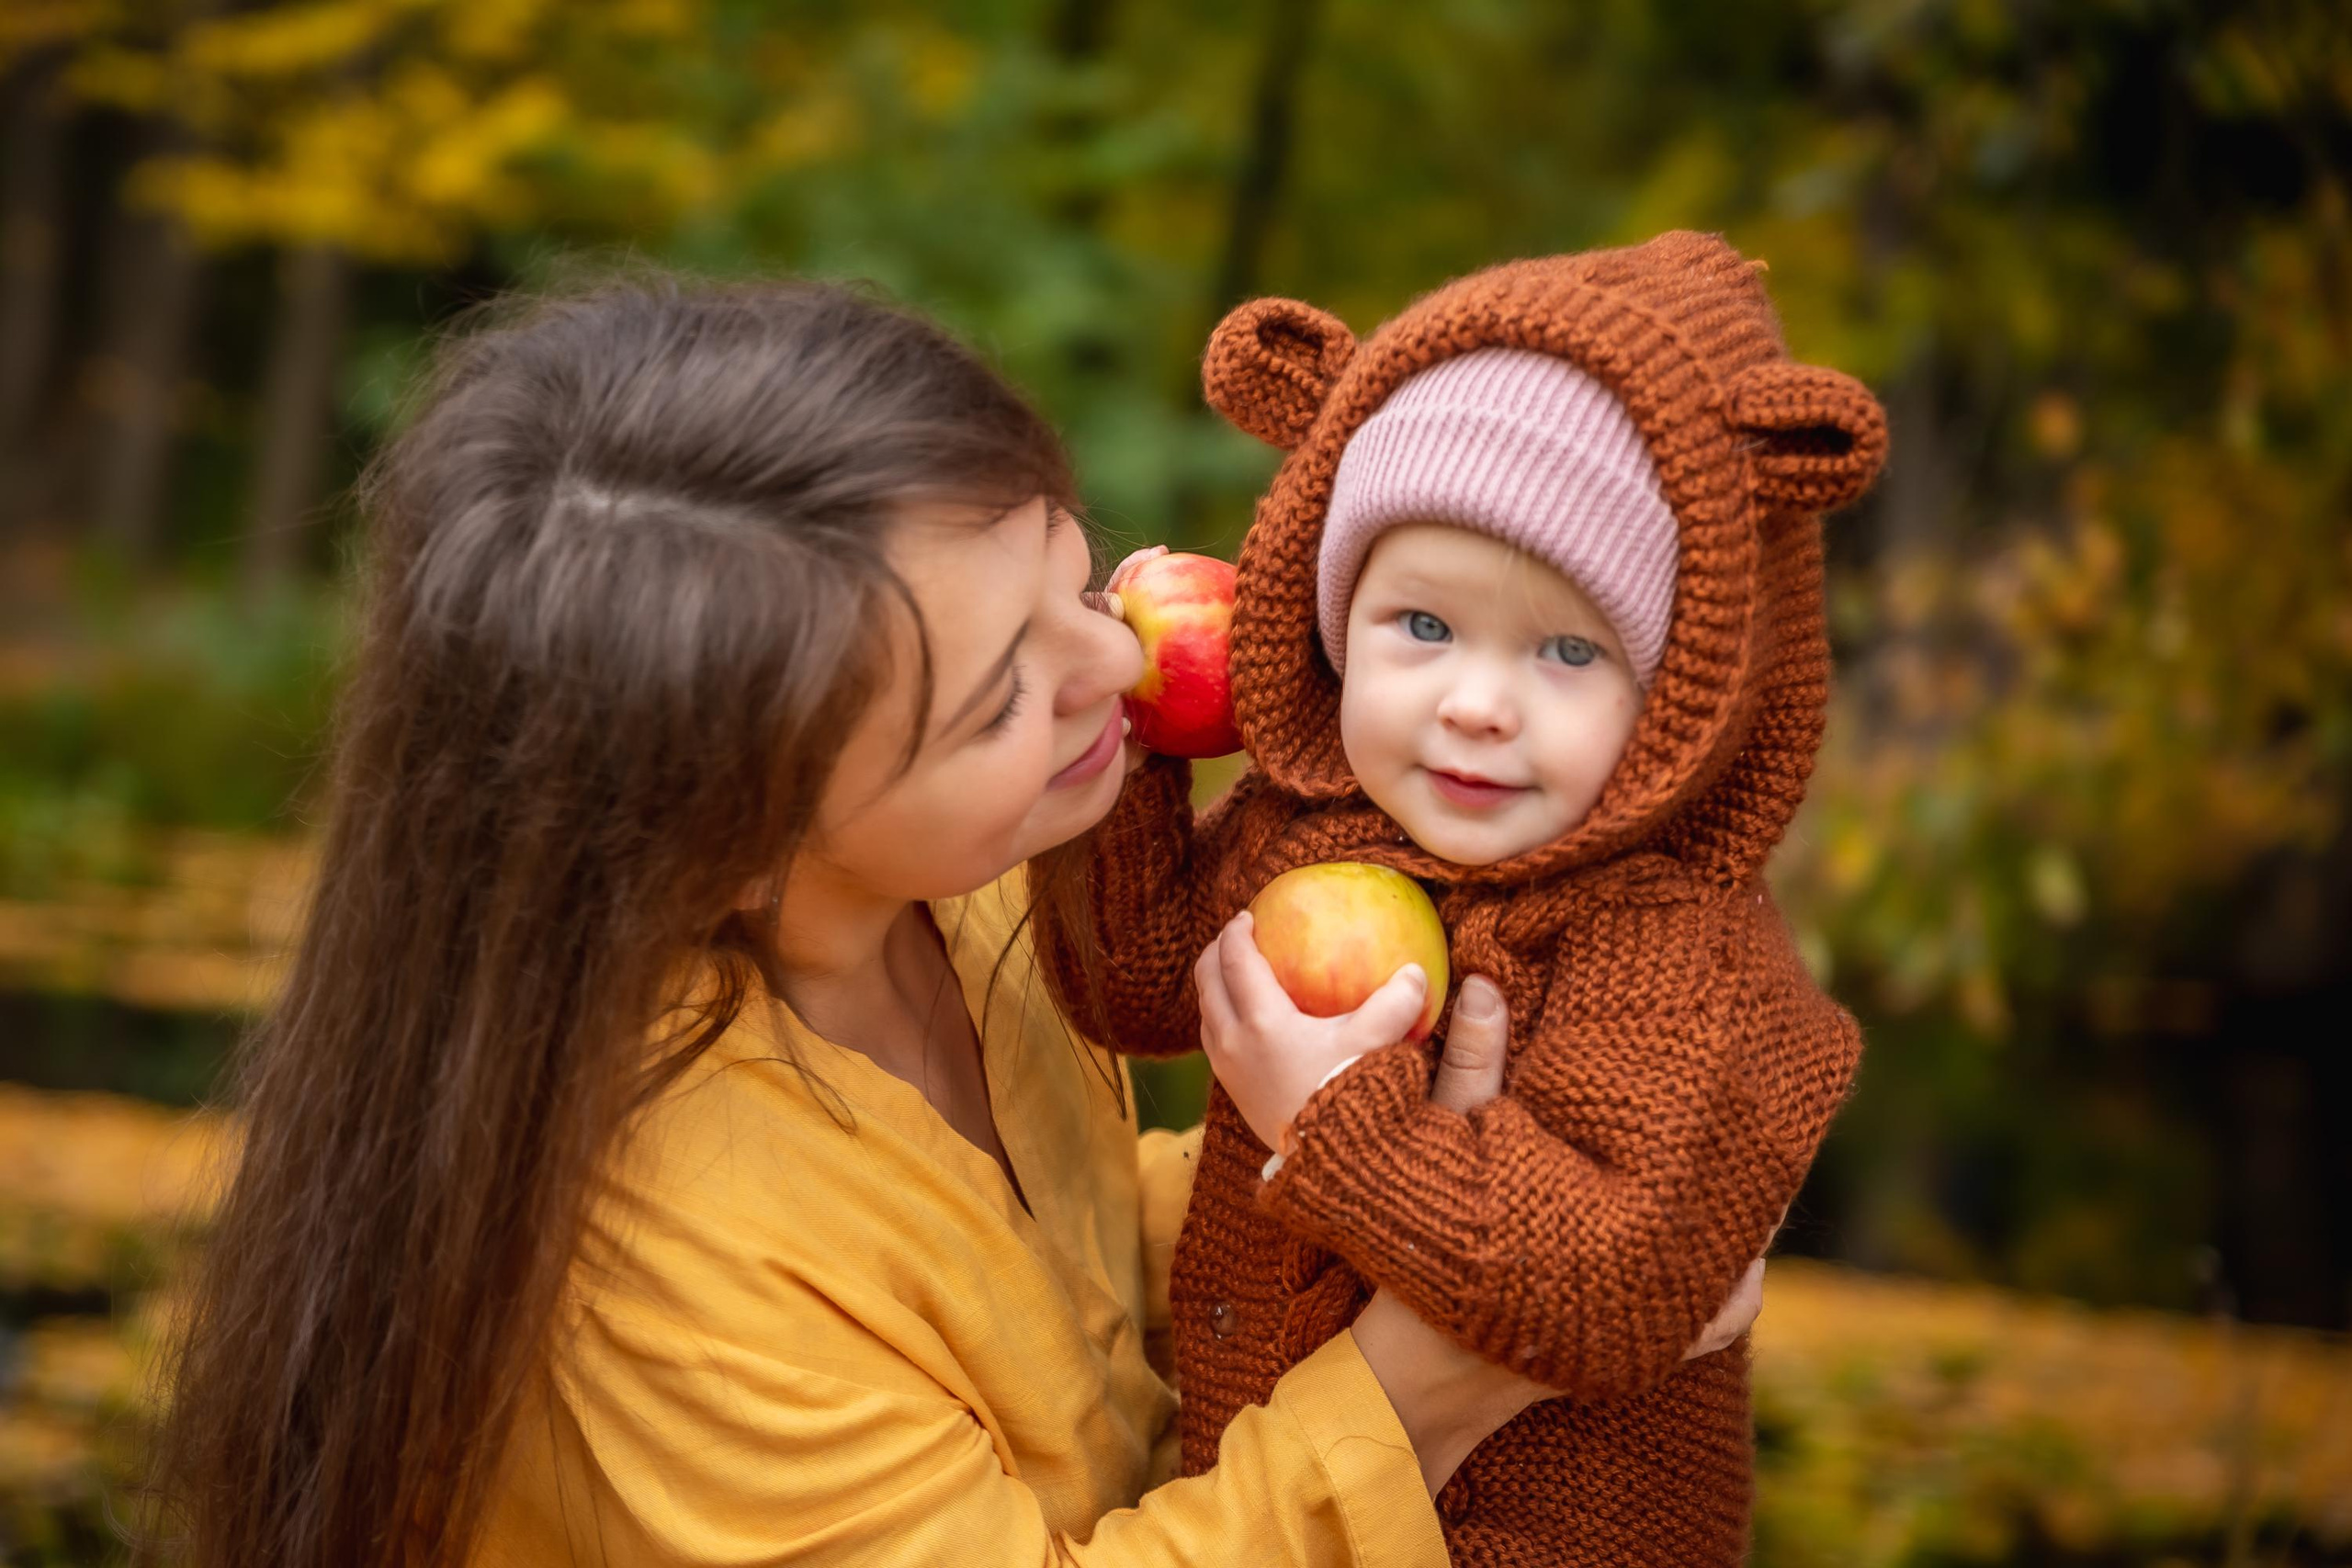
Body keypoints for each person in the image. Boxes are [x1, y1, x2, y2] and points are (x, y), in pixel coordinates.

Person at [144, 277, 1760, 1568]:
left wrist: (1493, 1185)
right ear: (722, 841)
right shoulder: (665, 1245)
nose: (1119, 664)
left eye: (1074, 575)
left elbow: (1039, 1271)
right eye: (1004, 700)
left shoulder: (975, 889)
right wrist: (1434, 1380)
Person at [1034, 231, 1889, 1564]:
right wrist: (1138, 749)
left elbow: (1613, 1286)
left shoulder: (1676, 956)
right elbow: (1135, 987)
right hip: (1285, 1514)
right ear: (1335, 620)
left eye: (1568, 650)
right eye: (1423, 628)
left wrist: (1338, 1120)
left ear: (1683, 697)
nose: (1477, 704)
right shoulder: (1312, 831)